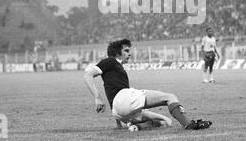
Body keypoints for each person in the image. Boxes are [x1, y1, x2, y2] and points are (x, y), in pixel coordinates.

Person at [83, 38, 212, 131]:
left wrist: (118, 123)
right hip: (125, 100)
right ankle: (188, 124)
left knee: (165, 122)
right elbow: (88, 74)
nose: (129, 53)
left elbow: (113, 96)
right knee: (170, 97)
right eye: (126, 51)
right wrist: (97, 97)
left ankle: (136, 127)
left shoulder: (115, 70)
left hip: (118, 111)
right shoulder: (110, 61)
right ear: (118, 53)